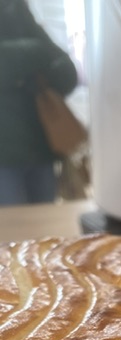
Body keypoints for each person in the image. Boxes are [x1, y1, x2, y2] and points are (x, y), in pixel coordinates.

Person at [0, 0, 78, 206]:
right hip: (5, 158)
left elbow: (66, 72)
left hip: (41, 146)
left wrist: (22, 70)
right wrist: (34, 63)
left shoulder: (15, 8)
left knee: (44, 228)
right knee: (12, 231)